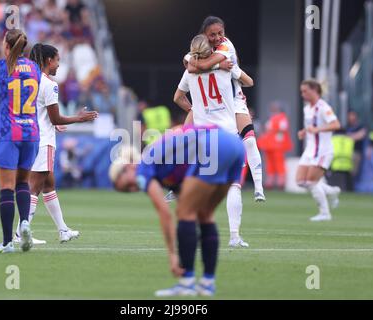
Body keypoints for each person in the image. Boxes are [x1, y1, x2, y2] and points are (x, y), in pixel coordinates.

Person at [109, 125, 245, 297]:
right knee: (205, 214)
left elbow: (165, 213)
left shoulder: (143, 169)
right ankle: (207, 283)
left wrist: (173, 254)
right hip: (236, 144)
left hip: (214, 145)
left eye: (129, 185)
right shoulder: (165, 166)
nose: (135, 188)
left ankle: (187, 283)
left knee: (184, 213)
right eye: (129, 190)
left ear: (128, 166)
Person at [12, 43, 98, 244]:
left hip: (28, 136)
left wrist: (52, 122)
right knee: (34, 187)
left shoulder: (28, 81)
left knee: (49, 184)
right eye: (57, 60)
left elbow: (39, 113)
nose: (59, 64)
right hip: (43, 140)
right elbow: (55, 118)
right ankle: (19, 234)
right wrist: (79, 118)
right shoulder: (50, 85)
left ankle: (63, 230)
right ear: (48, 60)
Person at [174, 34, 252, 248]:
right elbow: (249, 82)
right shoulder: (225, 66)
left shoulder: (189, 72)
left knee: (202, 187)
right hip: (227, 135)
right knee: (234, 184)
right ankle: (235, 236)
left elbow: (177, 98)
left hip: (203, 135)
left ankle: (191, 228)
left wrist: (194, 109)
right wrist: (231, 68)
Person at [184, 16, 265, 203]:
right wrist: (216, 65)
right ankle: (178, 185)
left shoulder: (226, 47)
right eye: (213, 34)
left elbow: (199, 66)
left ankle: (259, 188)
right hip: (209, 106)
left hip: (233, 101)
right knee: (187, 138)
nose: (218, 37)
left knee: (250, 142)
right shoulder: (198, 52)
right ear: (204, 36)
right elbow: (190, 70)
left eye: (221, 33)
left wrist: (202, 64)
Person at [0, 29, 41, 253]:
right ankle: (25, 223)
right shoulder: (34, 68)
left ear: (7, 46)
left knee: (6, 188)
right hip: (31, 133)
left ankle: (8, 242)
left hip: (8, 133)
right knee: (23, 183)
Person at [296, 80, 341, 222]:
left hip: (323, 150)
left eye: (305, 91)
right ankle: (332, 191)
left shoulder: (323, 107)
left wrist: (317, 130)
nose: (303, 94)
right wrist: (304, 132)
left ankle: (325, 213)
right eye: (301, 91)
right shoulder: (307, 108)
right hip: (310, 150)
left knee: (311, 182)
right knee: (300, 182)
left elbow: (336, 124)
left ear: (315, 90)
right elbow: (311, 126)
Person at [258, 102, 293, 190]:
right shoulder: (271, 118)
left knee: (279, 163)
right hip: (269, 145)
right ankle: (270, 182)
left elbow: (282, 129)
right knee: (269, 164)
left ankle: (281, 182)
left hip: (277, 145)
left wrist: (272, 131)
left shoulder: (282, 118)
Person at [345, 110, 367, 183]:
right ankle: (348, 186)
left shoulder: (360, 126)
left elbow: (361, 135)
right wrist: (352, 136)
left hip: (356, 152)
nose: (351, 117)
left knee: (354, 171)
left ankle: (352, 187)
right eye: (350, 115)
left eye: (353, 115)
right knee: (346, 170)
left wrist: (349, 137)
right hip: (346, 152)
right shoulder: (346, 127)